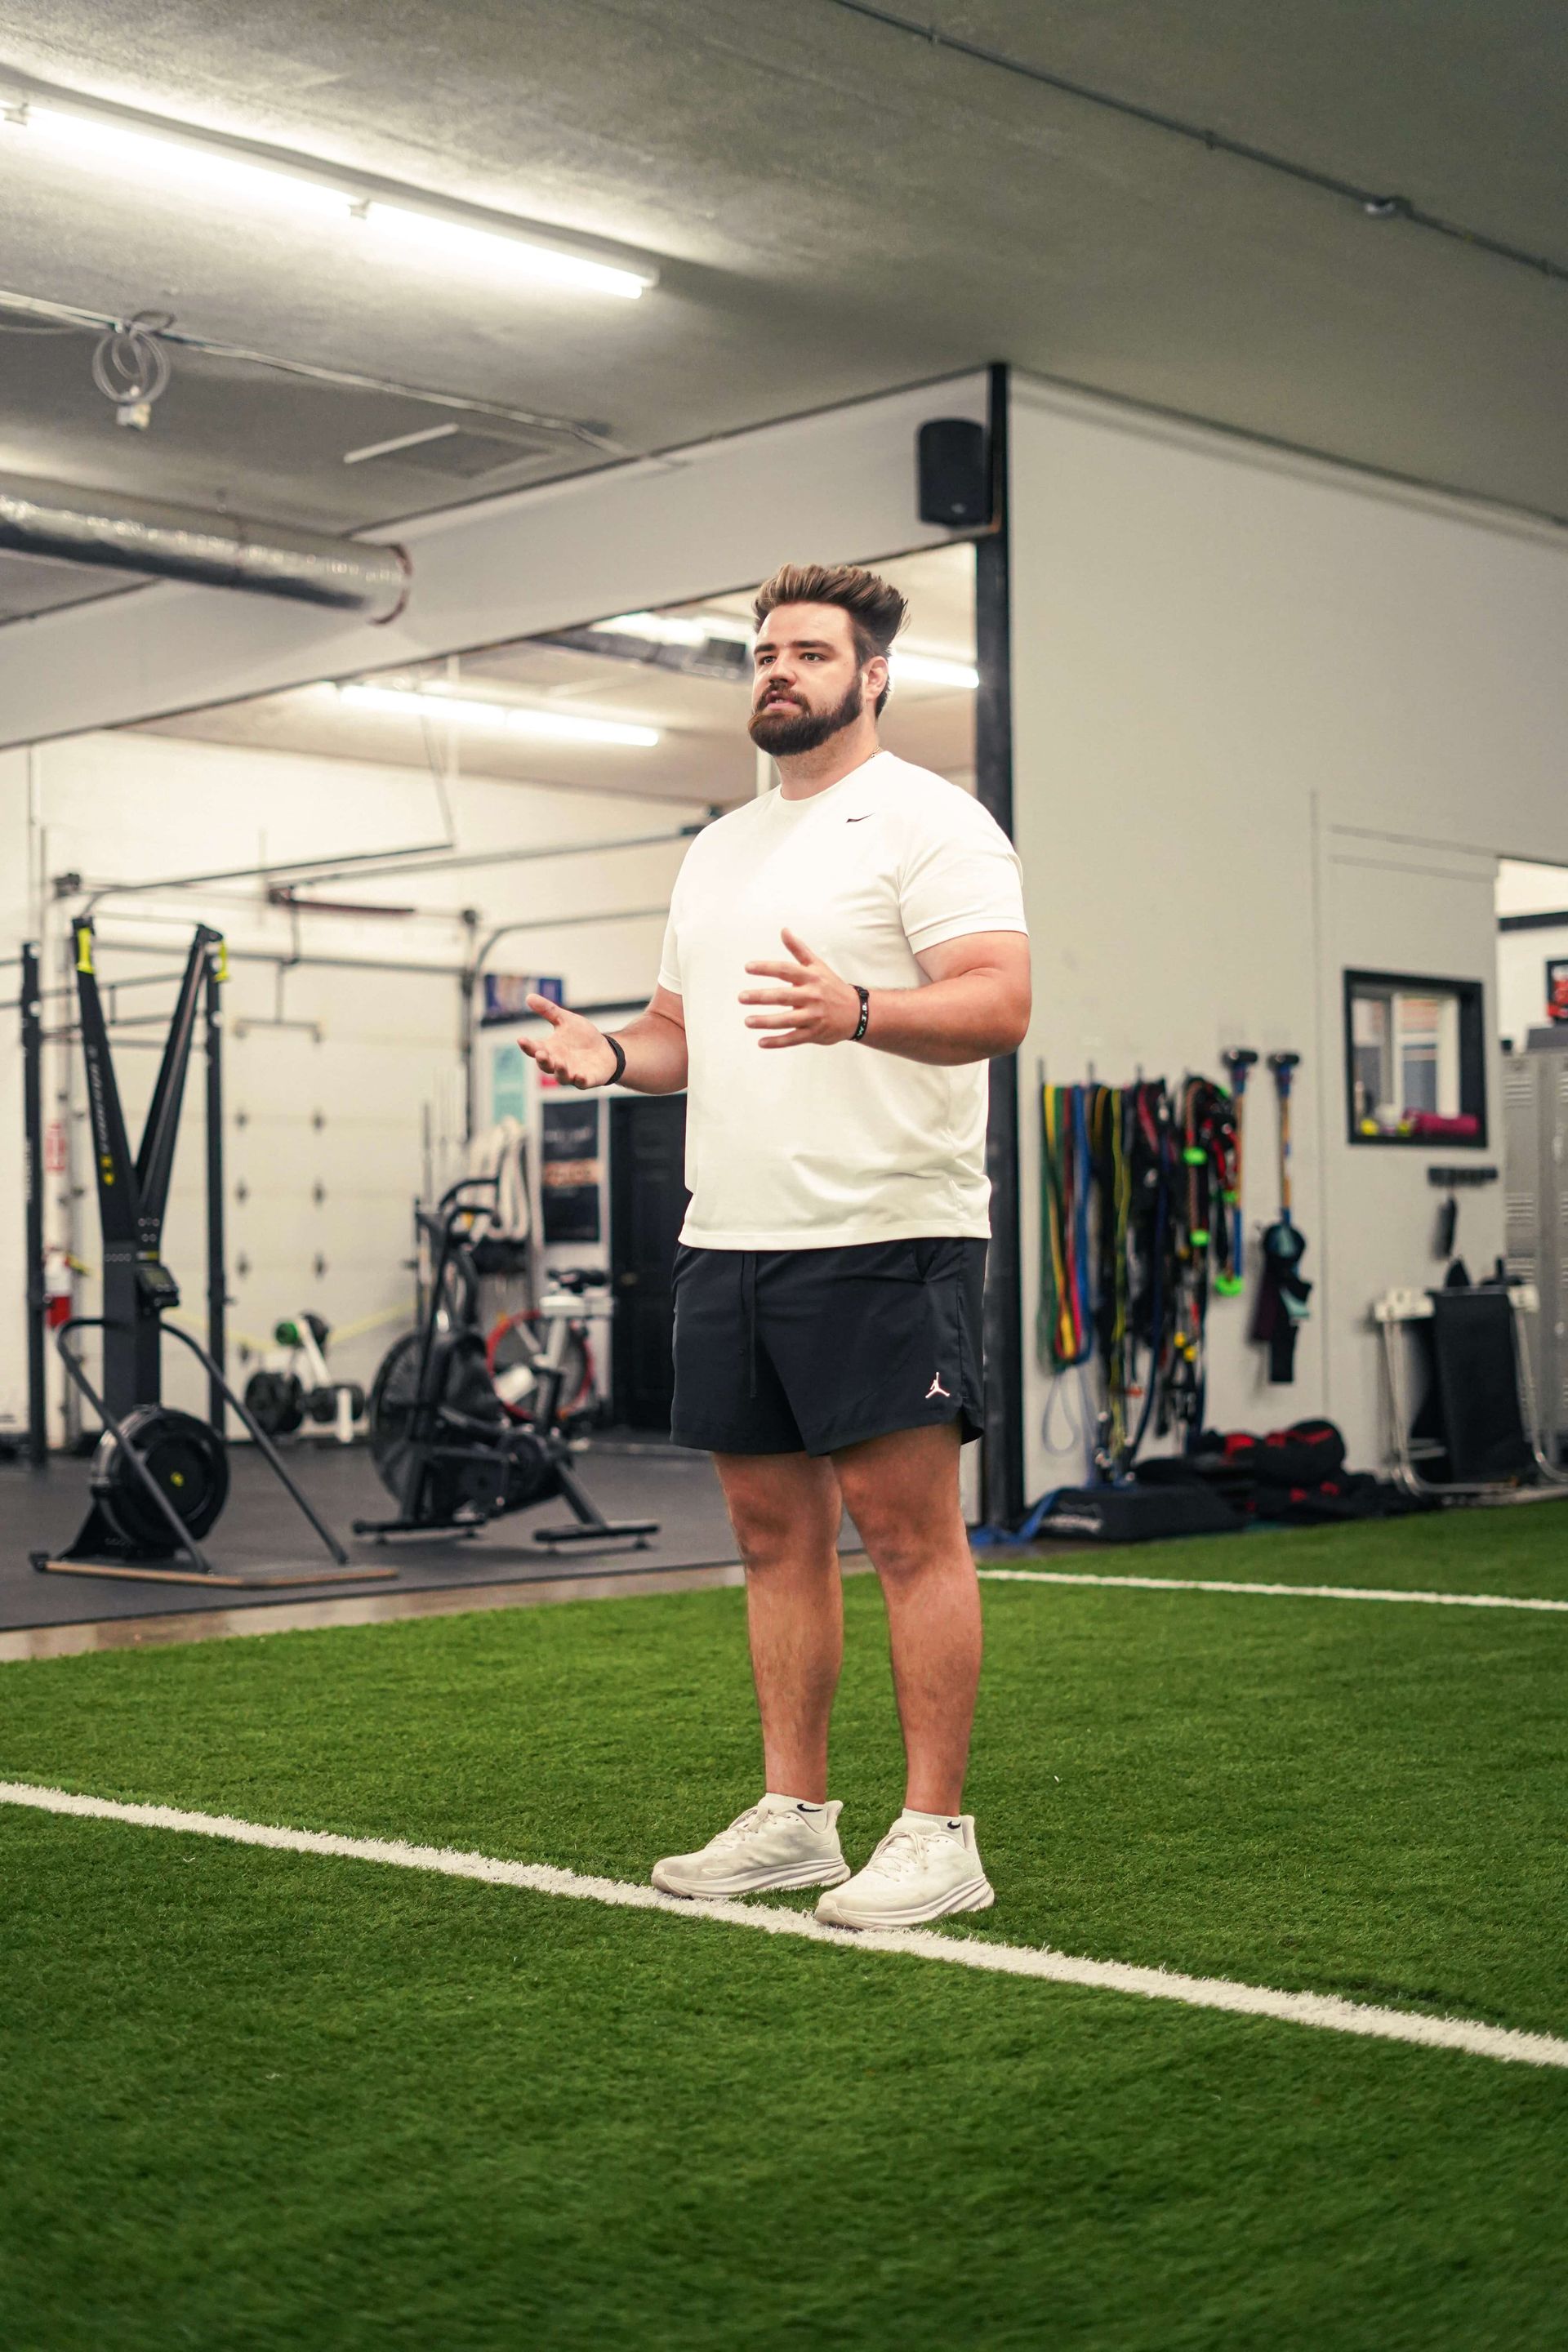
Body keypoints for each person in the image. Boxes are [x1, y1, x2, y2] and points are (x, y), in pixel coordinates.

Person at [520, 561, 1031, 1928]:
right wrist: (609, 1054)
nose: (778, 671)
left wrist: (862, 1009)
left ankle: (938, 1835)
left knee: (909, 1539)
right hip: (731, 1233)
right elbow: (682, 1035)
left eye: (809, 651)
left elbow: (999, 1002)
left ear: (872, 676)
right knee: (768, 1535)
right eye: (762, 653)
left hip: (885, 1228)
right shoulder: (720, 846)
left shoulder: (932, 822)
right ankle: (797, 1817)